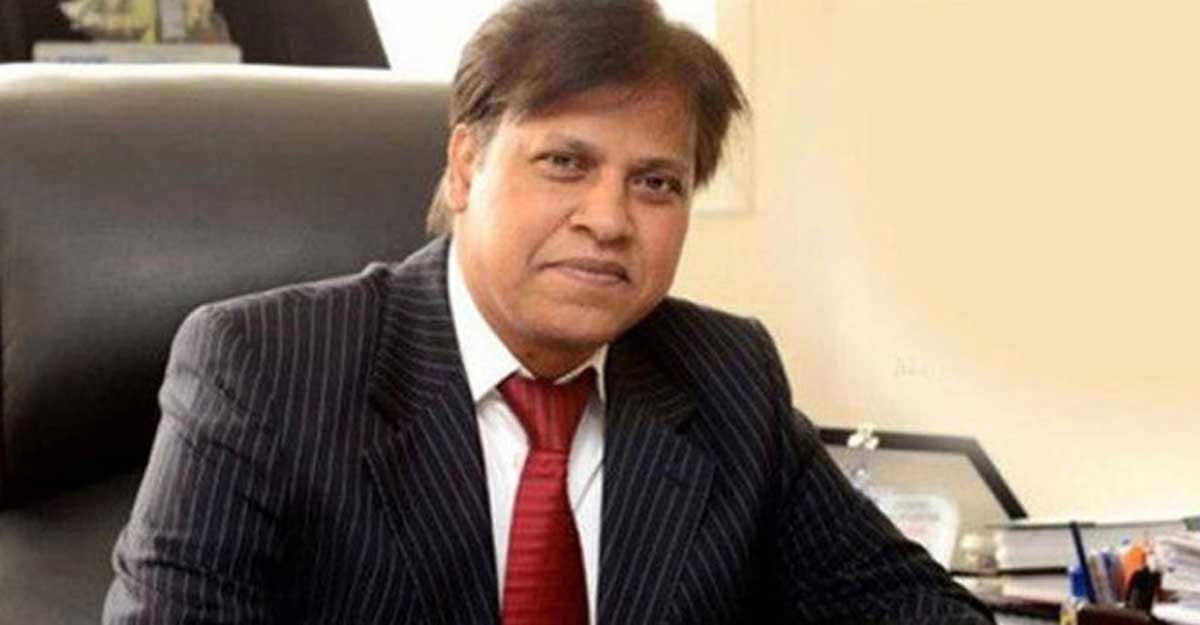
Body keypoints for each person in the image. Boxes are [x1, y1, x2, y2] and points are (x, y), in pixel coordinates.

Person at [103, 1, 994, 624]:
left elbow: (915, 607)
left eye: (656, 183)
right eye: (566, 163)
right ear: (466, 166)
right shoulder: (265, 367)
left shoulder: (727, 378)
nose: (609, 219)